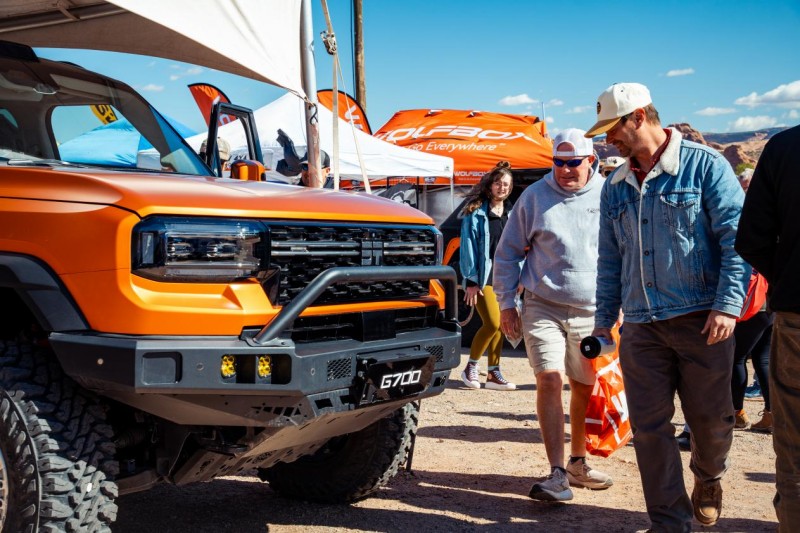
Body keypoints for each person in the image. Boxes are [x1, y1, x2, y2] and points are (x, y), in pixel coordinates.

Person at [585, 82, 748, 530]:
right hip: (641, 326)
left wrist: (727, 305)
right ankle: (669, 522)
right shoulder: (614, 186)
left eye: (613, 128)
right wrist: (603, 323)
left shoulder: (706, 166)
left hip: (703, 320)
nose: (608, 140)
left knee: (711, 422)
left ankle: (709, 477)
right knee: (649, 429)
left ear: (639, 116)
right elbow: (610, 261)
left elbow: (737, 240)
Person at [495, 128, 613, 502]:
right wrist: (506, 304)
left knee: (583, 386)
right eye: (558, 162)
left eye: (572, 162)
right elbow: (507, 253)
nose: (564, 170)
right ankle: (557, 473)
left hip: (593, 311)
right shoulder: (534, 196)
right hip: (542, 304)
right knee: (549, 378)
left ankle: (578, 462)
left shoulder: (608, 195)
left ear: (590, 160)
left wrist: (620, 308)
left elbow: (625, 252)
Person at [735, 124, 800, 531]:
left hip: (797, 313)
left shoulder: (784, 147)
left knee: (795, 450)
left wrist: (789, 277)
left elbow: (752, 239)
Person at [458, 161, 517, 391]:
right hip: (484, 277)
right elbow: (468, 248)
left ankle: (493, 373)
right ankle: (470, 367)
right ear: (490, 185)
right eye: (498, 183)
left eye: (506, 184)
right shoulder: (475, 212)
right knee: (492, 323)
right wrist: (471, 281)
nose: (502, 187)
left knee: (502, 325)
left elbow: (518, 246)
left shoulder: (512, 213)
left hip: (506, 276)